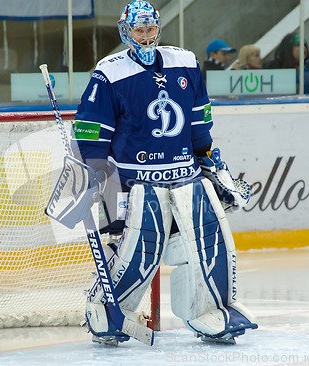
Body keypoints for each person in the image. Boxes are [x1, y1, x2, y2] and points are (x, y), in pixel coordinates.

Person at [71, 0, 257, 346]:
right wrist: (95, 177)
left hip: (186, 180)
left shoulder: (184, 62)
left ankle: (210, 310)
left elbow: (199, 121)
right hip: (134, 185)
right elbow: (90, 132)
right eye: (139, 30)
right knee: (139, 250)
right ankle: (106, 310)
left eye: (151, 29)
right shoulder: (109, 73)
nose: (146, 37)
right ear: (126, 32)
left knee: (203, 245)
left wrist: (207, 159)